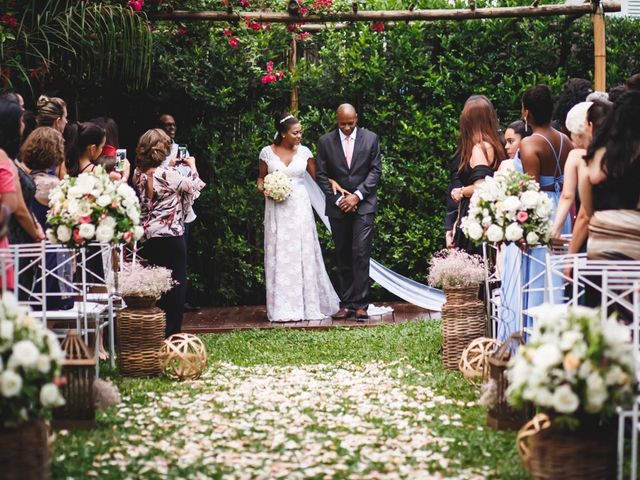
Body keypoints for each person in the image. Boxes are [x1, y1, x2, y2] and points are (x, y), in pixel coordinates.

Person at [258, 112, 340, 322]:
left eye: (300, 132)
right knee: (281, 253)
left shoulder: (304, 152)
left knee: (302, 252)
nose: (299, 136)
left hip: (299, 208)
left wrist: (333, 183)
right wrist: (266, 189)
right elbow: (260, 179)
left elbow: (317, 176)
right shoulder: (267, 152)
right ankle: (282, 308)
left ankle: (307, 306)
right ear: (283, 134)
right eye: (295, 133)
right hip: (277, 209)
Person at [133, 129, 205, 337]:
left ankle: (152, 334)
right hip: (171, 236)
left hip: (147, 237)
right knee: (175, 288)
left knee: (154, 289)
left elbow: (153, 181)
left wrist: (170, 166)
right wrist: (192, 166)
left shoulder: (138, 174)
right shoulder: (169, 176)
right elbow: (194, 187)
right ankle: (171, 335)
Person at [315, 104, 381, 320]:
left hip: (364, 204)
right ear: (336, 120)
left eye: (350, 124)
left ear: (357, 119)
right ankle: (347, 303)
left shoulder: (371, 139)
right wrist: (338, 199)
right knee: (342, 253)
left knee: (361, 253)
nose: (346, 128)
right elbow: (322, 175)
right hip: (338, 207)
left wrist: (357, 196)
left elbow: (375, 170)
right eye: (342, 124)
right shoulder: (325, 142)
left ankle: (362, 303)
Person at [580, 90, 640, 260]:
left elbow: (588, 207)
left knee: (598, 286)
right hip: (634, 244)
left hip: (600, 242)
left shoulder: (596, 155)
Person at [20, 127, 74, 309]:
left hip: (28, 254)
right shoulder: (54, 186)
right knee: (53, 311)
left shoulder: (24, 182)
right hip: (52, 258)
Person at [450, 95, 506, 256]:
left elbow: (482, 187)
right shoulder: (496, 146)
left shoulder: (479, 148)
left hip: (478, 217)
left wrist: (461, 192)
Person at [158, 113, 199, 311]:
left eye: (173, 125)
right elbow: (193, 184)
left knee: (181, 256)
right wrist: (191, 168)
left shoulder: (180, 149)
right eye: (167, 125)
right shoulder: (156, 152)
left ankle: (179, 298)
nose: (171, 128)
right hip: (165, 213)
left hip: (182, 210)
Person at [550, 101, 593, 239]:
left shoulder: (576, 156)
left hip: (592, 230)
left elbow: (567, 196)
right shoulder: (621, 154)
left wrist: (555, 229)